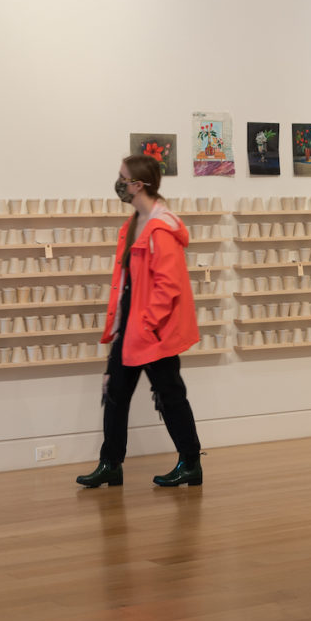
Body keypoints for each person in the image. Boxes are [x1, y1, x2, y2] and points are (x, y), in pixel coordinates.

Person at [76, 153, 203, 489]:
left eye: (123, 177)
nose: (119, 183)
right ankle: (110, 463)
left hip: (154, 332)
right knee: (115, 393)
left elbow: (168, 285)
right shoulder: (133, 224)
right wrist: (123, 324)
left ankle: (191, 462)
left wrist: (147, 323)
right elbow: (128, 283)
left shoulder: (161, 229)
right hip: (131, 328)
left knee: (170, 396)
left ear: (138, 184)